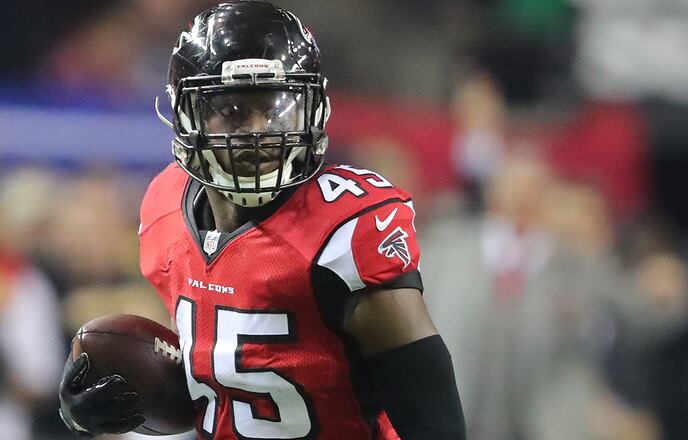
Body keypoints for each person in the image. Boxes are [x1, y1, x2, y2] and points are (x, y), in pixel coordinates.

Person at [57, 2, 466, 439]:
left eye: (275, 109)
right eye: (232, 111)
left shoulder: (345, 226)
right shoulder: (164, 207)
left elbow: (433, 418)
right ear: (189, 115)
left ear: (311, 109)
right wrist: (102, 402)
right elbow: (221, 384)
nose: (257, 130)